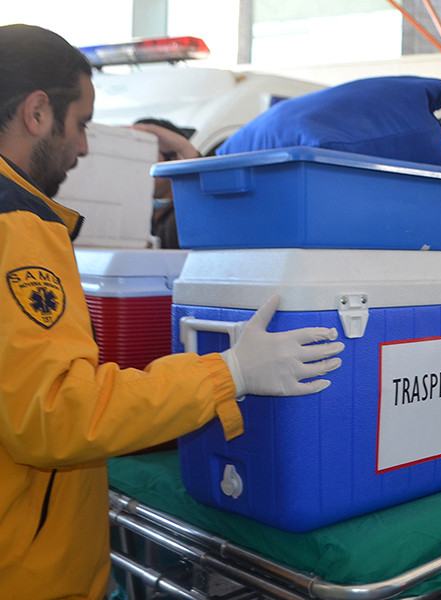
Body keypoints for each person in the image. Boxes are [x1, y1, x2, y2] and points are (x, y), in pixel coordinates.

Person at [0, 24, 344, 599]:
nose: (84, 147)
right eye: (82, 123)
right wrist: (228, 373)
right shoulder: (17, 229)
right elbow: (57, 415)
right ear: (37, 112)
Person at [131, 118, 200, 249]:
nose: (136, 165)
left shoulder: (190, 208)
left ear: (174, 158)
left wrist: (184, 147)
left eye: (144, 153)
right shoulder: (131, 209)